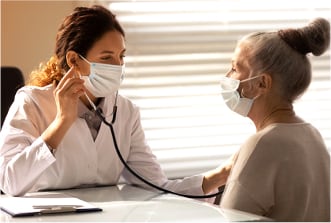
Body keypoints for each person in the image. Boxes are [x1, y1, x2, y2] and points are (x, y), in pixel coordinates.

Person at [0, 5, 233, 199]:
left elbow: (155, 185)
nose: (118, 66)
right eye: (106, 58)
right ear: (74, 61)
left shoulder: (125, 111)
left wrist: (220, 175)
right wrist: (61, 122)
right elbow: (9, 183)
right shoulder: (32, 102)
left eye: (121, 56)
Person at [219, 18, 330, 221]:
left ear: (262, 83)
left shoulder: (263, 144)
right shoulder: (312, 135)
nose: (227, 76)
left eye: (235, 68)